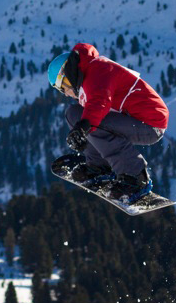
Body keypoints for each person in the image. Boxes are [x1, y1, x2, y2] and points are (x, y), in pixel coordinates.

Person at [46, 43, 168, 201]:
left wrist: (82, 129)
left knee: (91, 122)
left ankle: (135, 177)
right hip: (134, 119)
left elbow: (99, 102)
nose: (66, 94)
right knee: (74, 114)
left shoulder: (97, 70)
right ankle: (99, 166)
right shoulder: (88, 75)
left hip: (150, 123)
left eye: (62, 87)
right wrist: (82, 131)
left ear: (66, 76)